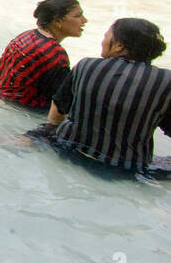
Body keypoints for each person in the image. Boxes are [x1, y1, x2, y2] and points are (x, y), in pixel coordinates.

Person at [36, 18, 171, 176]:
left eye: (106, 36)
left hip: (66, 149)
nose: (103, 41)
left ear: (119, 45)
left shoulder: (85, 65)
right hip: (125, 168)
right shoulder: (165, 81)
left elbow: (58, 108)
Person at [0, 0, 85, 110]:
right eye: (78, 16)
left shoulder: (27, 35)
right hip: (18, 109)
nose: (84, 20)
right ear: (57, 21)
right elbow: (62, 100)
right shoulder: (55, 53)